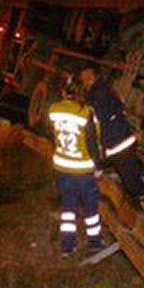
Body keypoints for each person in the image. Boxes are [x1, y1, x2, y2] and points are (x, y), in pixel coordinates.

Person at [48, 75, 104, 257]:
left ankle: (66, 247)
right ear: (81, 92)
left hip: (63, 170)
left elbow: (52, 136)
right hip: (83, 171)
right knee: (91, 209)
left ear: (63, 92)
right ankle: (94, 243)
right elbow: (92, 143)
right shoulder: (86, 112)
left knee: (68, 208)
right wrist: (98, 167)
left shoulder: (53, 110)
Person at [78, 66, 144, 204]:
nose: (85, 83)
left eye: (86, 79)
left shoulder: (94, 100)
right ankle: (143, 194)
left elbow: (94, 133)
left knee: (131, 181)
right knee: (132, 172)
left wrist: (97, 165)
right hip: (124, 139)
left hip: (117, 145)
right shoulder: (104, 89)